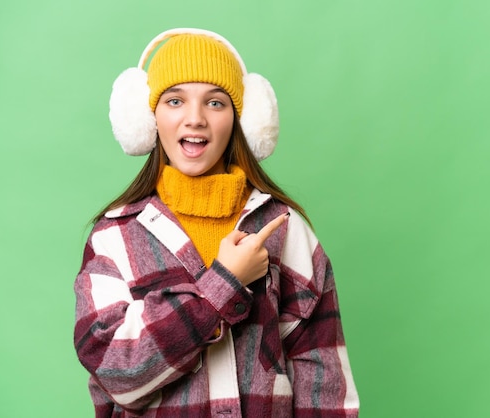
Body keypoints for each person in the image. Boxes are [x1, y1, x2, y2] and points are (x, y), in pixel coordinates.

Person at [74, 28, 359, 418]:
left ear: (242, 118)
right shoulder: (114, 239)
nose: (195, 119)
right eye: (175, 100)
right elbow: (117, 372)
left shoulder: (285, 229)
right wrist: (222, 284)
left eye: (215, 103)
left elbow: (323, 380)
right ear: (148, 118)